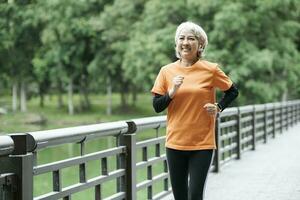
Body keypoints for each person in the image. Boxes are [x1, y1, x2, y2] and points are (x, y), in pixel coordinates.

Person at [151, 21, 239, 200]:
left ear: (200, 45)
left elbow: (232, 91)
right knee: (180, 197)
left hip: (202, 144)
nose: (185, 42)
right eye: (181, 38)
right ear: (177, 44)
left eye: (191, 38)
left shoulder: (210, 69)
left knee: (195, 195)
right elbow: (157, 106)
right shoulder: (166, 71)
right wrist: (172, 92)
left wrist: (218, 107)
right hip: (175, 143)